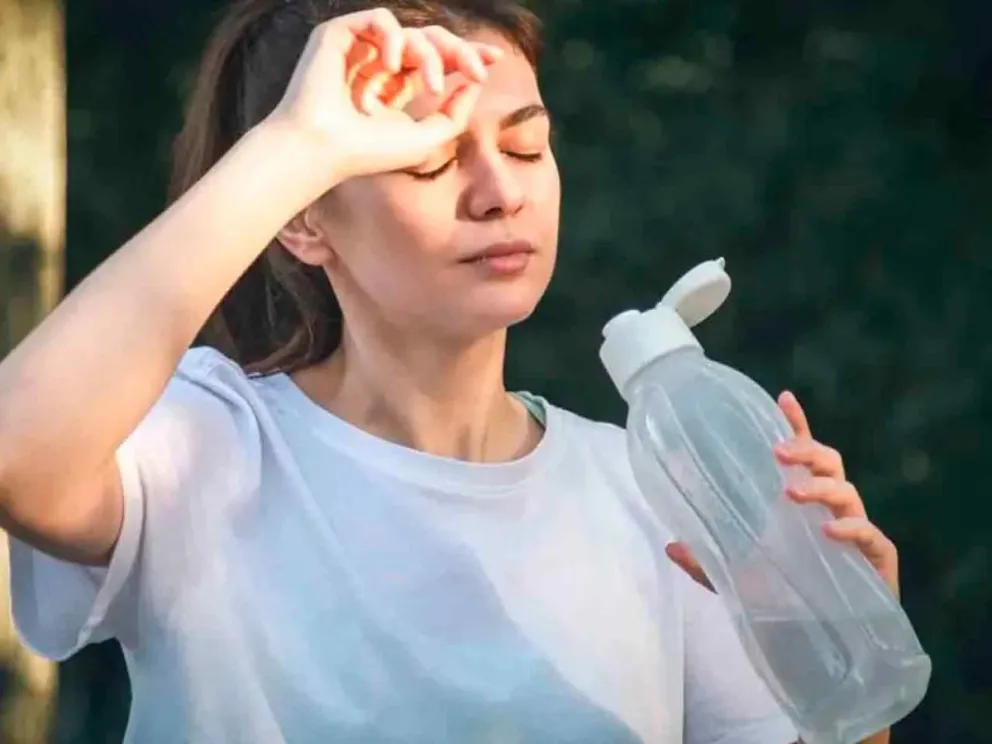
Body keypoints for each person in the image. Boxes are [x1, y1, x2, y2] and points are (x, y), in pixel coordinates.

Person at [0, 1, 900, 742]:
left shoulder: (654, 492)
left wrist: (847, 652)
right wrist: (294, 144)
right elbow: (17, 453)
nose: (500, 193)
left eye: (526, 146)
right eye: (427, 159)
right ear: (303, 218)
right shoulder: (212, 445)